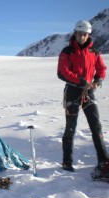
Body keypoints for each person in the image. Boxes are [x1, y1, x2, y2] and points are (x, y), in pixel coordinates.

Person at [57, 20, 109, 179]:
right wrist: (81, 81)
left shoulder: (94, 51)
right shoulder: (67, 51)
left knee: (96, 125)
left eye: (84, 34)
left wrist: (98, 80)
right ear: (75, 33)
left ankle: (104, 162)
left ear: (88, 35)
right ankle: (67, 162)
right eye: (79, 33)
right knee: (70, 127)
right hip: (73, 92)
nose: (81, 36)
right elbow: (62, 72)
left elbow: (101, 69)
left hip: (88, 93)